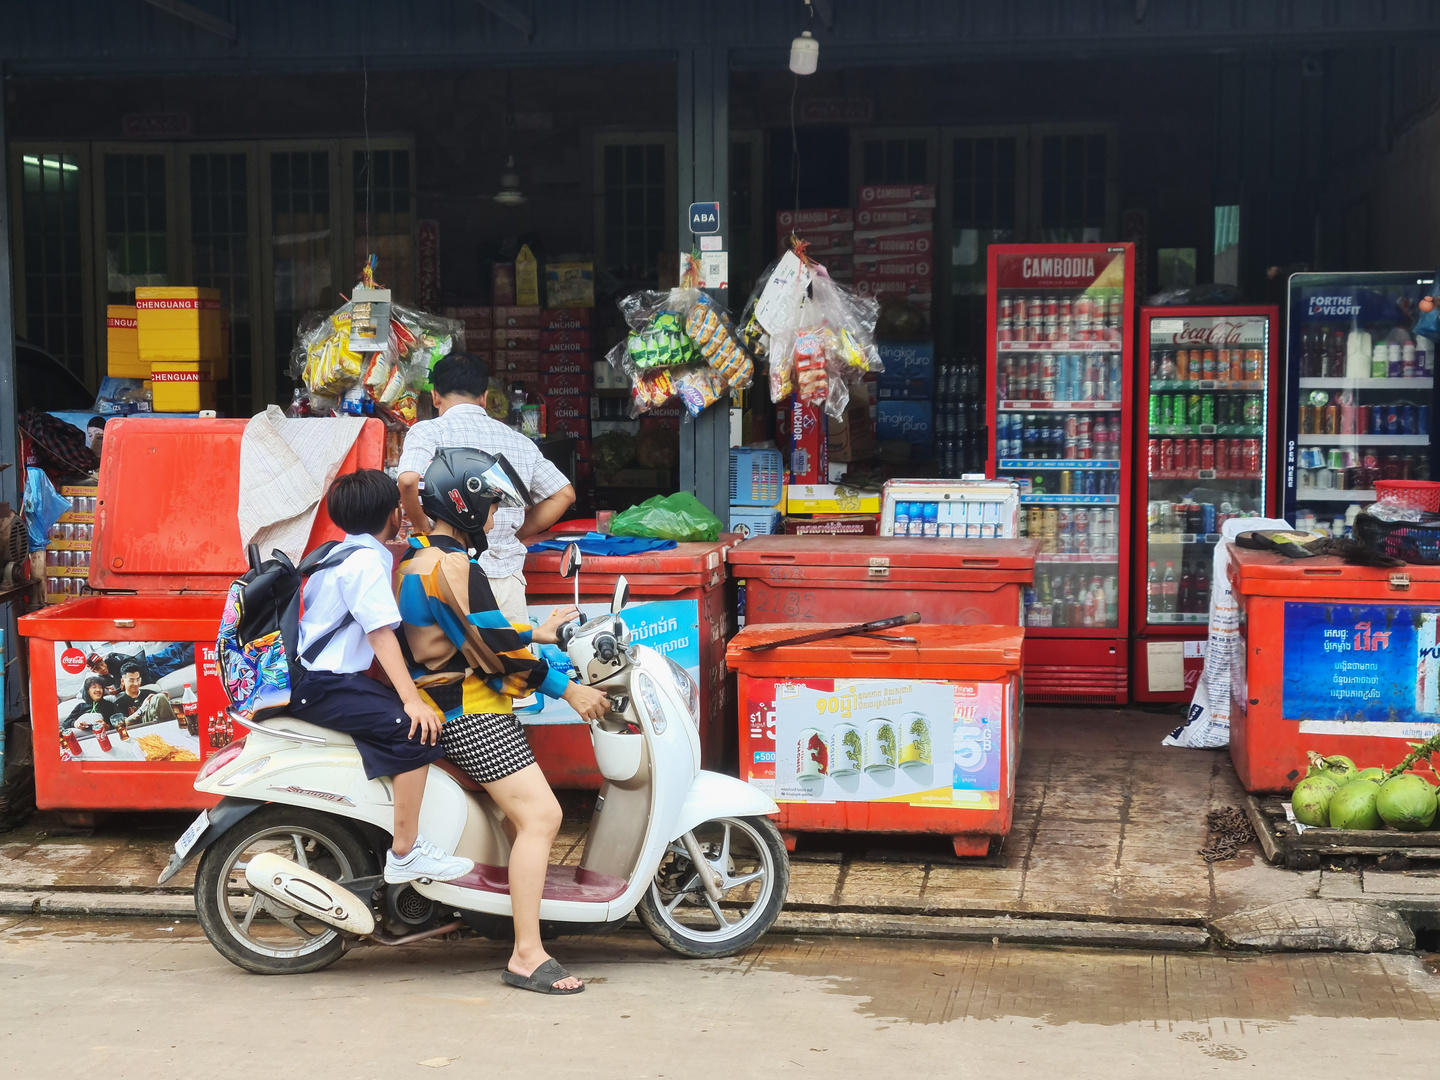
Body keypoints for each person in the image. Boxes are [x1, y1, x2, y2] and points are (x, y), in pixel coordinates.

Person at [396, 447, 610, 995]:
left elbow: (469, 628)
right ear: (465, 507)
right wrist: (572, 691)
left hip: (453, 703)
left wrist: (543, 631)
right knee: (543, 817)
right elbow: (500, 655)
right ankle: (526, 954)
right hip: (470, 714)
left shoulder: (420, 557)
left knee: (525, 819)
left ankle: (521, 917)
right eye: (489, 506)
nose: (494, 518)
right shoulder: (457, 567)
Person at [285, 469, 473, 886]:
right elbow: (380, 632)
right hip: (326, 685)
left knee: (402, 718)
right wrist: (411, 700)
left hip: (323, 680)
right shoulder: (367, 560)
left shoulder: (335, 552)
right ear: (392, 515)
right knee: (415, 730)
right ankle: (405, 852)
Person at [397, 353, 576, 625]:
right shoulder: (517, 440)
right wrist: (518, 530)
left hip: (447, 574)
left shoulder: (427, 432)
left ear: (435, 396)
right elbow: (564, 493)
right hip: (505, 578)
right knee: (513, 662)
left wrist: (426, 530)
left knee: (458, 664)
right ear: (484, 396)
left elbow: (408, 481)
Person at [111, 663, 178, 725]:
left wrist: (167, 702)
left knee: (161, 698)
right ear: (123, 681)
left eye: (138, 679)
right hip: (139, 730)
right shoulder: (118, 704)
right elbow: (124, 724)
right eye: (131, 680)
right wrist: (142, 709)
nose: (136, 683)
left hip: (157, 723)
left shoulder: (150, 693)